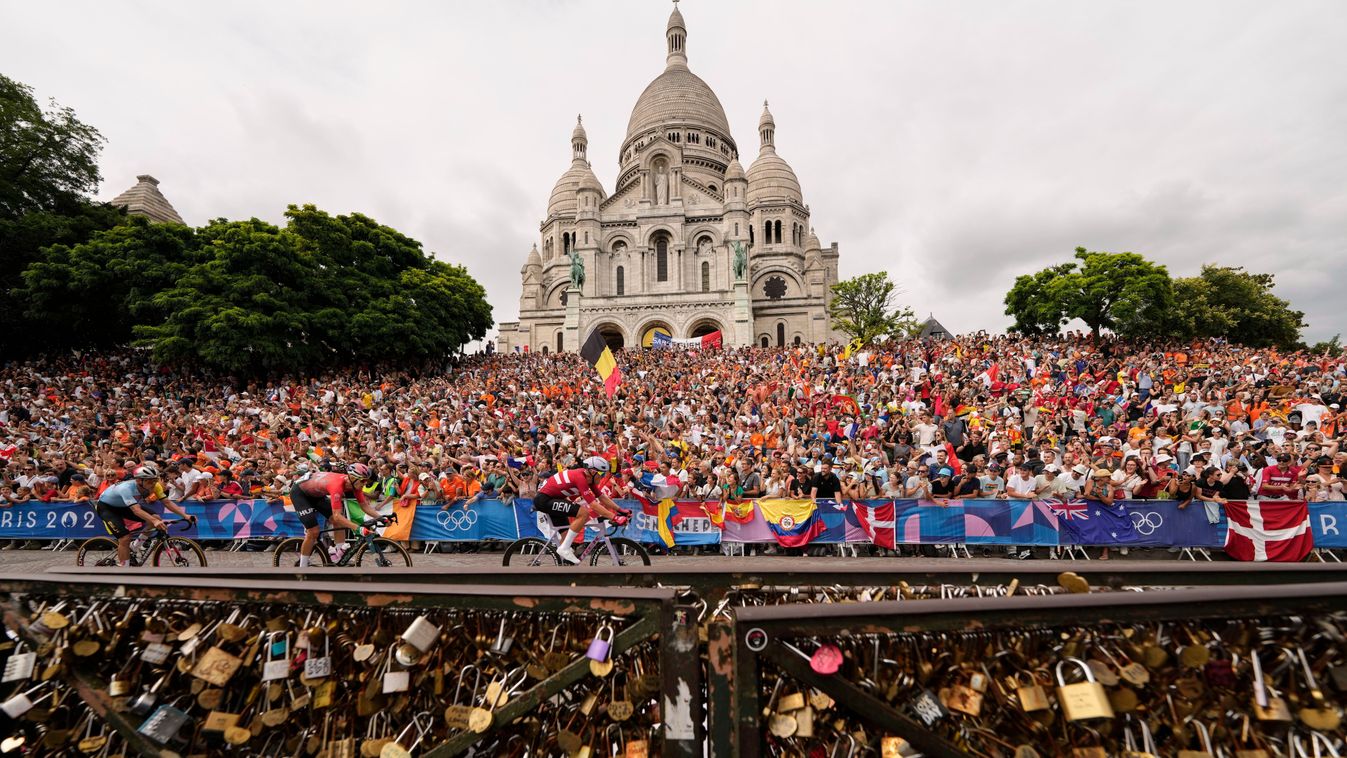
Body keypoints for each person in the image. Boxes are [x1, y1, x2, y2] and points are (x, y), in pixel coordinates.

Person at [93, 462, 196, 567]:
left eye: (155, 480)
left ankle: (134, 547)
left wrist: (185, 515)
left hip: (124, 506)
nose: (153, 484)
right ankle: (125, 569)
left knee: (155, 517)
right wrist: (154, 521)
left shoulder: (155, 486)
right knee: (125, 538)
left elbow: (167, 502)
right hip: (107, 507)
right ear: (139, 480)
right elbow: (136, 510)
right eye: (149, 481)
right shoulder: (126, 488)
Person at [534, 456, 629, 565]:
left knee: (565, 537)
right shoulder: (580, 478)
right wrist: (615, 517)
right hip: (544, 500)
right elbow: (593, 505)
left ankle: (564, 568)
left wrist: (621, 510)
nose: (602, 477)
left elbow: (602, 497)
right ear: (593, 472)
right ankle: (564, 549)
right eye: (602, 474)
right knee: (584, 513)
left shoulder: (589, 479)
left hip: (553, 499)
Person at [290, 462, 381, 568]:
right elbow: (337, 515)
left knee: (339, 522)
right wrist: (358, 529)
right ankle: (302, 568)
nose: (365, 484)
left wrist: (381, 517)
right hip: (300, 494)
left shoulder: (355, 484)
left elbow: (364, 506)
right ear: (352, 477)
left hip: (316, 495)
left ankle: (340, 556)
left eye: (366, 480)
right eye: (363, 481)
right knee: (313, 531)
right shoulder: (337, 485)